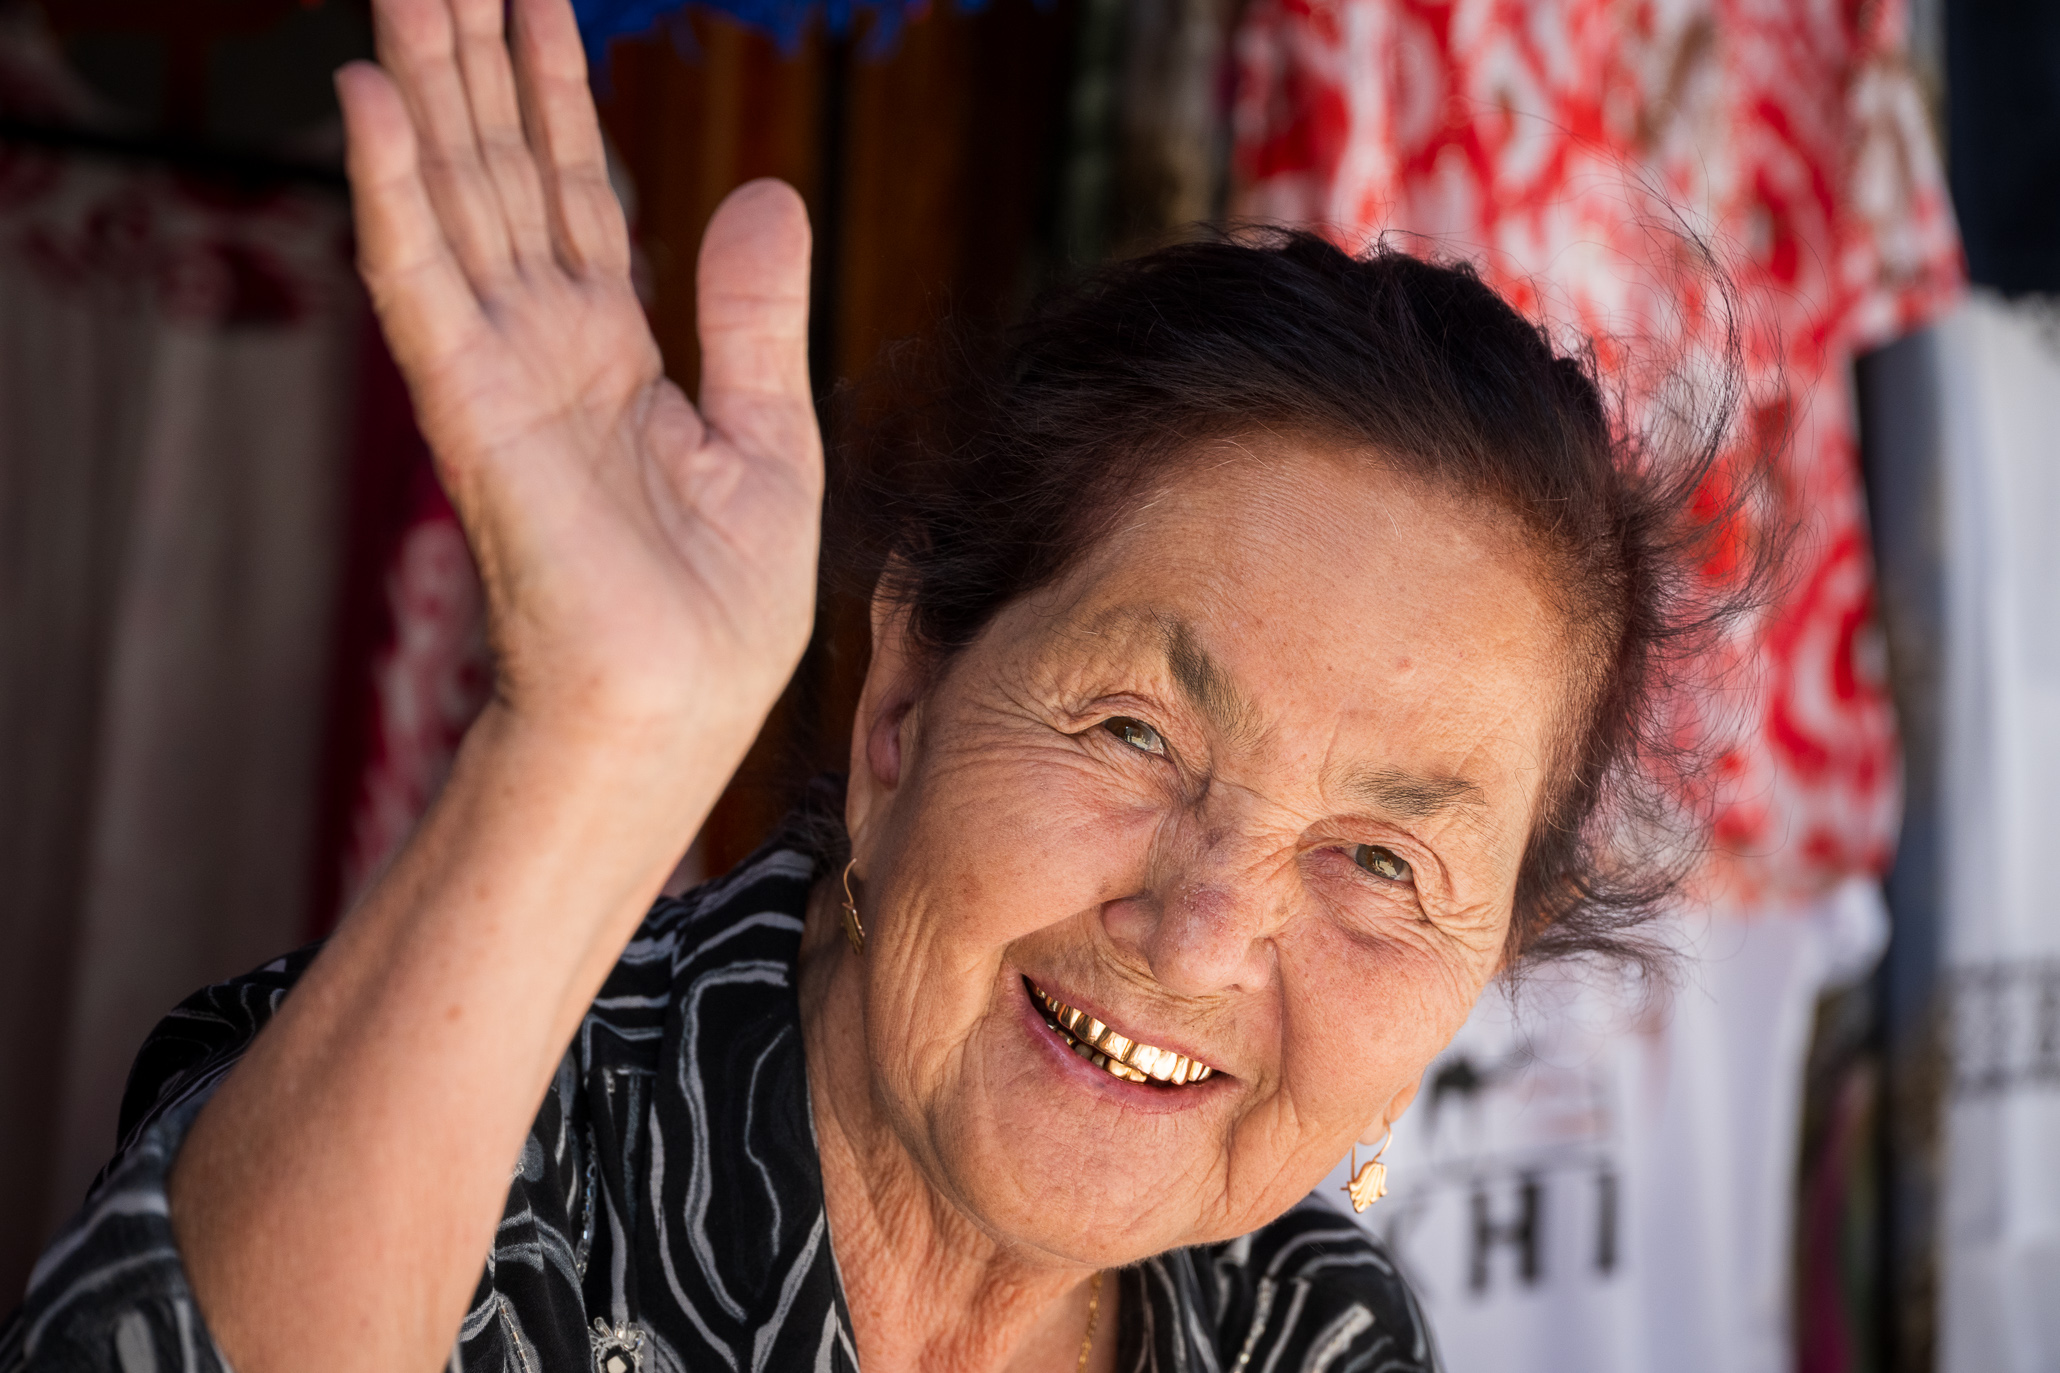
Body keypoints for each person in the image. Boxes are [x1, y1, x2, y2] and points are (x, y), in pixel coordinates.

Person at [0, 0, 1745, 1368]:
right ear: (904, 698)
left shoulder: (1314, 1333)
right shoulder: (488, 1140)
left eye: (1381, 860)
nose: (1205, 930)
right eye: (1138, 729)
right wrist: (593, 739)